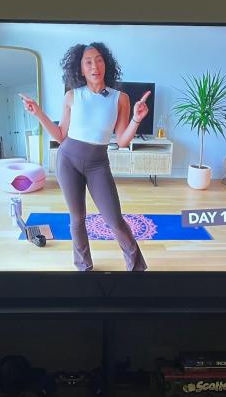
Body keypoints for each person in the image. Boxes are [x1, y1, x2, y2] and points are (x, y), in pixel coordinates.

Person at [20, 42, 149, 272]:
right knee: (77, 219)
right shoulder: (72, 96)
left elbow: (122, 140)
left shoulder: (121, 98)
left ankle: (137, 268)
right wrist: (38, 112)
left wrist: (136, 120)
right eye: (88, 62)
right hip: (68, 160)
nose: (94, 66)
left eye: (98, 60)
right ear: (80, 69)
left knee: (114, 220)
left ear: (105, 64)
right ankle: (84, 267)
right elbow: (60, 135)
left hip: (98, 164)